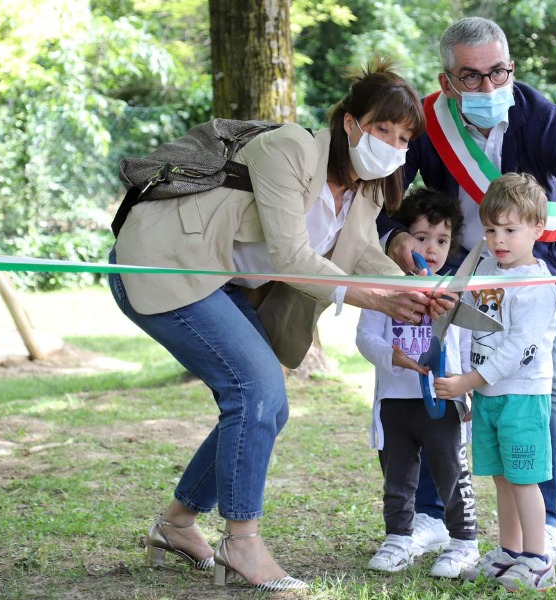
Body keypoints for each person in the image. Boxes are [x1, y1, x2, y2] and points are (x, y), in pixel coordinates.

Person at [108, 58, 451, 591]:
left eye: (405, 137)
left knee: (270, 403)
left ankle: (175, 524)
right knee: (254, 389)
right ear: (350, 122)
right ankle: (241, 542)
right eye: (384, 128)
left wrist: (421, 291)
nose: (393, 144)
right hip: (165, 264)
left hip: (219, 280)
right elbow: (293, 255)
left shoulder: (366, 189)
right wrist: (381, 302)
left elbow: (359, 255)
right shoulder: (291, 149)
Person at [381, 16, 556, 567]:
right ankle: (430, 517)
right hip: (461, 274)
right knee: (439, 381)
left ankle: (547, 526)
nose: (490, 88)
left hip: (538, 271)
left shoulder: (540, 116)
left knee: (544, 386)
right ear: (446, 82)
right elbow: (384, 189)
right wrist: (395, 237)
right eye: (472, 77)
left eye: (500, 72)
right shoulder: (426, 120)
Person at [433, 173, 556, 591]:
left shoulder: (538, 286)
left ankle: (539, 561)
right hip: (488, 394)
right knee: (502, 478)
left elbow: (519, 349)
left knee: (524, 478)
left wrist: (467, 379)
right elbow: (466, 319)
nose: (498, 240)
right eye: (490, 230)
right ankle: (510, 553)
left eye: (510, 230)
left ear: (537, 229)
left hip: (522, 397)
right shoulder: (486, 268)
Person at [355, 187, 479, 578]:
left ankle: (464, 542)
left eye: (441, 240)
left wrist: (462, 385)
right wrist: (397, 359)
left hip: (442, 402)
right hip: (395, 401)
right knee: (397, 476)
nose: (431, 248)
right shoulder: (385, 285)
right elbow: (365, 337)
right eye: (421, 237)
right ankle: (398, 538)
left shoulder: (454, 293)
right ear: (403, 240)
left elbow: (468, 343)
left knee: (451, 472)